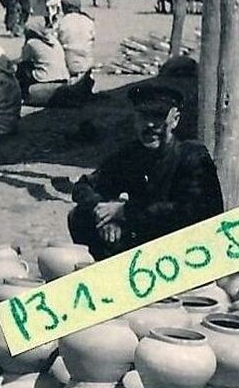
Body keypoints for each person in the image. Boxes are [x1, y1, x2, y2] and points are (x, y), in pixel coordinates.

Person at [69, 84, 224, 260]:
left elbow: (192, 212)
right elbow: (85, 186)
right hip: (144, 241)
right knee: (80, 216)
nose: (149, 125)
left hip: (185, 250)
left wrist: (125, 212)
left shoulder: (193, 156)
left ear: (175, 120)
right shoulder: (132, 155)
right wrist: (103, 214)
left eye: (157, 117)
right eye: (143, 116)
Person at [57, 0, 96, 81]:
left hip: (69, 58)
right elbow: (93, 39)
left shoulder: (62, 22)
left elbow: (58, 40)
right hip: (87, 57)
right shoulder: (88, 21)